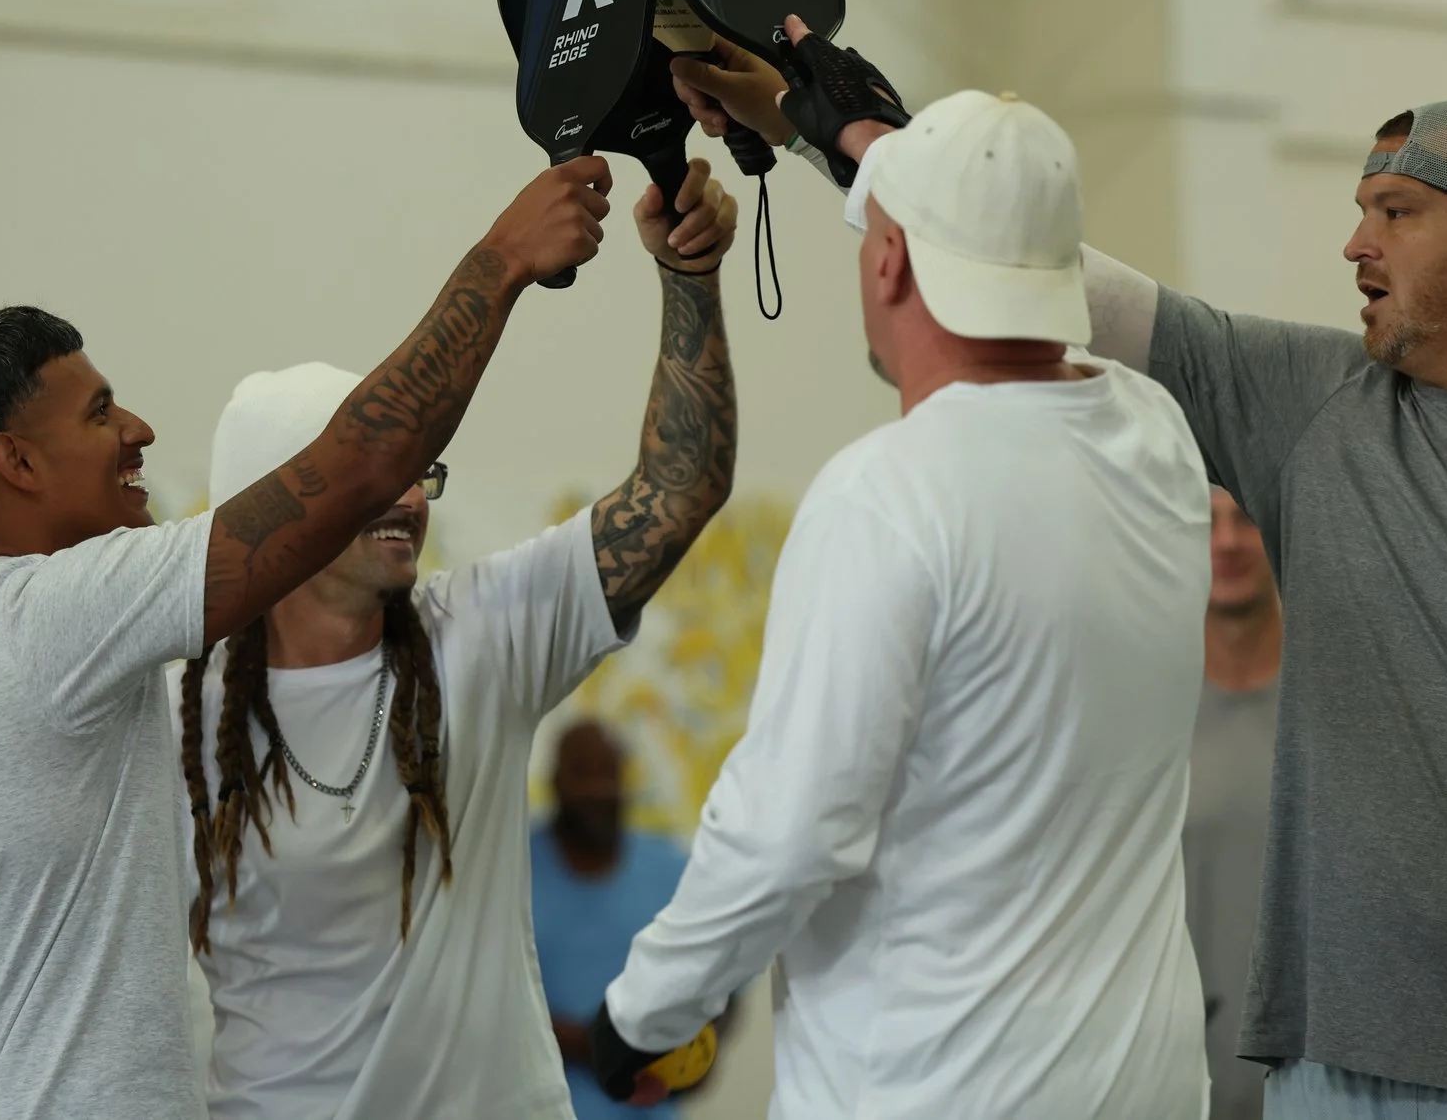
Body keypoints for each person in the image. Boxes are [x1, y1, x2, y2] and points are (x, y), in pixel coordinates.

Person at [688, 31, 1447, 1120]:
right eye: (1359, 206)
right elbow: (1042, 269)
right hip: (1324, 1079)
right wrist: (826, 122)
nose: (1353, 241)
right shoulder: (1314, 406)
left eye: (1397, 211)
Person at [0, 159, 612, 1120]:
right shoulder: (56, 612)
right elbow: (353, 468)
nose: (140, 430)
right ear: (17, 461)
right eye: (101, 411)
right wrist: (502, 261)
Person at [593, 87, 1212, 1117]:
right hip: (1141, 1085)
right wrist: (807, 113)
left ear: (886, 261)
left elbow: (789, 829)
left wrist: (643, 1013)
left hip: (940, 1089)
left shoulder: (887, 493)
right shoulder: (1157, 439)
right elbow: (1043, 295)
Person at [185, 160, 738, 1120]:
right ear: (278, 508)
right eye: (374, 475)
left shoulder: (479, 635)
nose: (407, 498)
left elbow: (677, 488)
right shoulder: (175, 713)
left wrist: (689, 275)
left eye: (417, 470)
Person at [530, 722, 692, 1120]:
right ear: (554, 782)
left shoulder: (673, 872)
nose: (597, 789)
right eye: (581, 772)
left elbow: (725, 986)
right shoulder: (508, 874)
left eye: (608, 772)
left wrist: (700, 1056)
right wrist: (600, 1045)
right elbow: (482, 1007)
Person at [1183, 492, 1281, 1120]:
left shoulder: (1333, 706)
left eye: (1245, 517)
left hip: (1306, 1085)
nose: (1227, 541)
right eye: (1206, 521)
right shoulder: (1144, 709)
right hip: (1171, 1080)